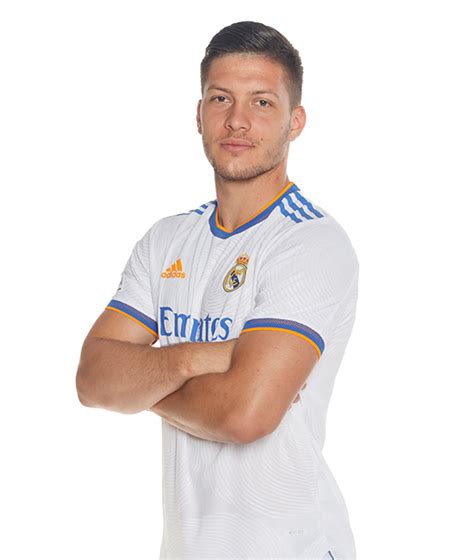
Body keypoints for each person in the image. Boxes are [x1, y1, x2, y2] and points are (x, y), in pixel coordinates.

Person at [76, 20, 359, 560]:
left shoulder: (310, 242)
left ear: (296, 121)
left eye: (262, 103)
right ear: (199, 113)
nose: (237, 120)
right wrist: (200, 358)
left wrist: (139, 384)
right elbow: (92, 379)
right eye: (221, 98)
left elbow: (245, 416)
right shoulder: (166, 240)